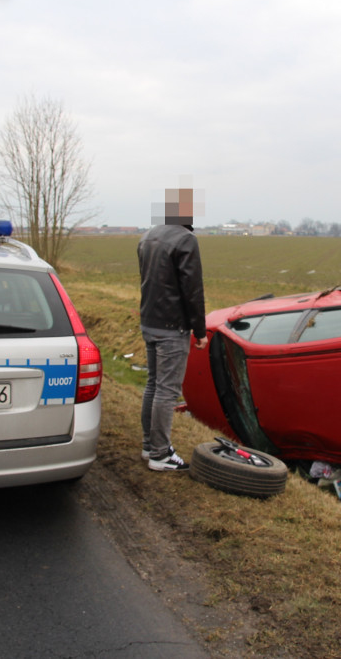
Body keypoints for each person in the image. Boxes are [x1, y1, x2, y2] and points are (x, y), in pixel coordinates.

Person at [137, 187, 208, 471]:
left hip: (149, 321)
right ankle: (160, 454)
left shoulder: (148, 236)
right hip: (171, 327)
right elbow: (193, 290)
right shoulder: (185, 239)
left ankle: (148, 446)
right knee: (167, 391)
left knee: (153, 385)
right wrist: (199, 330)